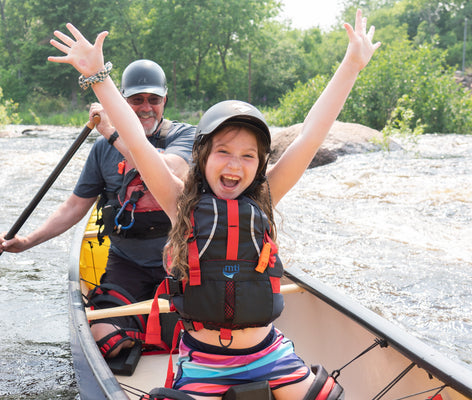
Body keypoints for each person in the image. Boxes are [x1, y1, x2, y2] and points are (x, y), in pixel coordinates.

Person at [48, 9, 379, 400]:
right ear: (202, 157)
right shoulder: (179, 202)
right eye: (223, 151)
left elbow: (310, 135)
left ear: (259, 165)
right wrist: (99, 78)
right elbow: (137, 140)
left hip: (270, 356)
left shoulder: (266, 195)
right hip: (206, 361)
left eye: (247, 156)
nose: (234, 164)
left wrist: (352, 65)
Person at [0, 59, 196, 359]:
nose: (146, 107)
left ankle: (158, 331)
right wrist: (26, 242)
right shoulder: (101, 151)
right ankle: (143, 332)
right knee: (105, 341)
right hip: (127, 264)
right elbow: (74, 206)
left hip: (181, 261)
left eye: (154, 99)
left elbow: (169, 171)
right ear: (123, 101)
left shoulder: (184, 137)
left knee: (203, 333)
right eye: (136, 100)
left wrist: (114, 134)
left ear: (165, 100)